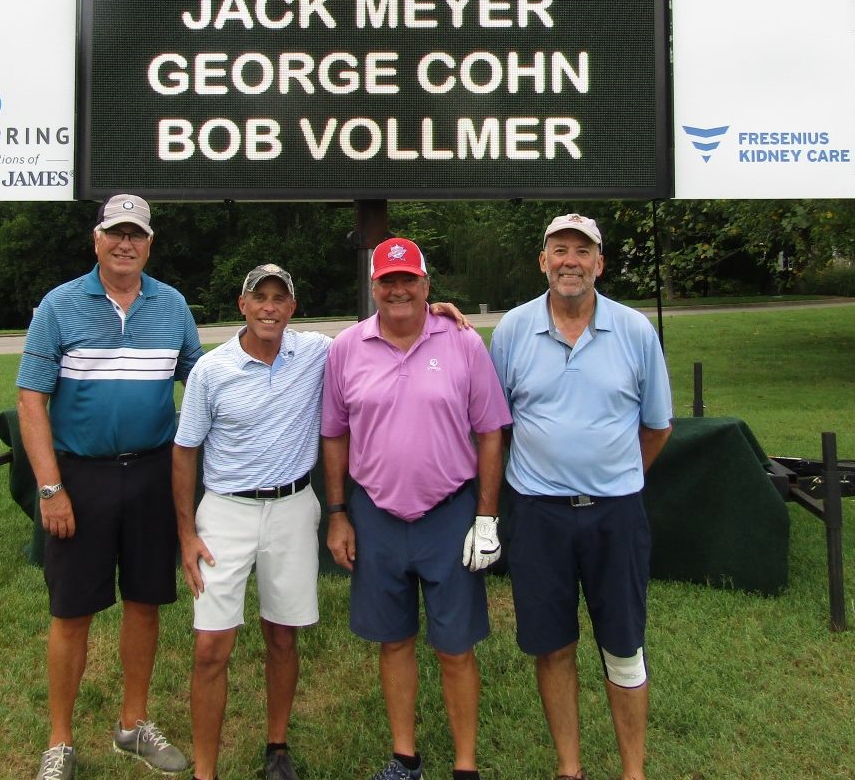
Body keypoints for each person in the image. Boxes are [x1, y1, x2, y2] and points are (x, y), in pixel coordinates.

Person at [174, 262, 471, 780]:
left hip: (292, 507)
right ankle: (205, 771)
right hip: (225, 510)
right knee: (210, 646)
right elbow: (184, 452)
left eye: (279, 299)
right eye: (259, 298)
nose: (269, 308)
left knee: (282, 636)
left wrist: (432, 312)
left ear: (293, 307)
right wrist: (186, 533)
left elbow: (381, 330)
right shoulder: (211, 369)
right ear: (242, 305)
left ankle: (277, 747)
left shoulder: (317, 352)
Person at [17, 194, 203, 780]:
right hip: (82, 475)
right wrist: (51, 488)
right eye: (116, 233)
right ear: (96, 240)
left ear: (149, 244)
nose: (126, 244)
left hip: (151, 473)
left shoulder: (171, 304)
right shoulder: (59, 305)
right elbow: (31, 399)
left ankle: (133, 724)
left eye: (136, 235)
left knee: (145, 602)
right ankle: (60, 741)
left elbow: (201, 382)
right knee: (72, 610)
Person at [488, 213, 673, 780]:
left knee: (624, 648)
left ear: (600, 263)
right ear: (543, 261)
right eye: (560, 250)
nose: (571, 261)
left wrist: (617, 476)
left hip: (616, 515)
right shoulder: (512, 330)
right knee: (553, 646)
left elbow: (657, 426)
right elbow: (496, 425)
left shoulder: (635, 330)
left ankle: (633, 771)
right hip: (538, 515)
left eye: (582, 251)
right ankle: (570, 769)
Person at [321, 237, 512, 780]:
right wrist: (338, 513)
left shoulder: (463, 341)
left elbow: (490, 432)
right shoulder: (346, 348)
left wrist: (486, 516)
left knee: (455, 648)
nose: (399, 289)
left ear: (427, 284)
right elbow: (334, 434)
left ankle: (465, 764)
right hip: (375, 515)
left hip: (449, 514)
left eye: (409, 279)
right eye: (388, 280)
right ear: (374, 287)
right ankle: (405, 758)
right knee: (394, 641)